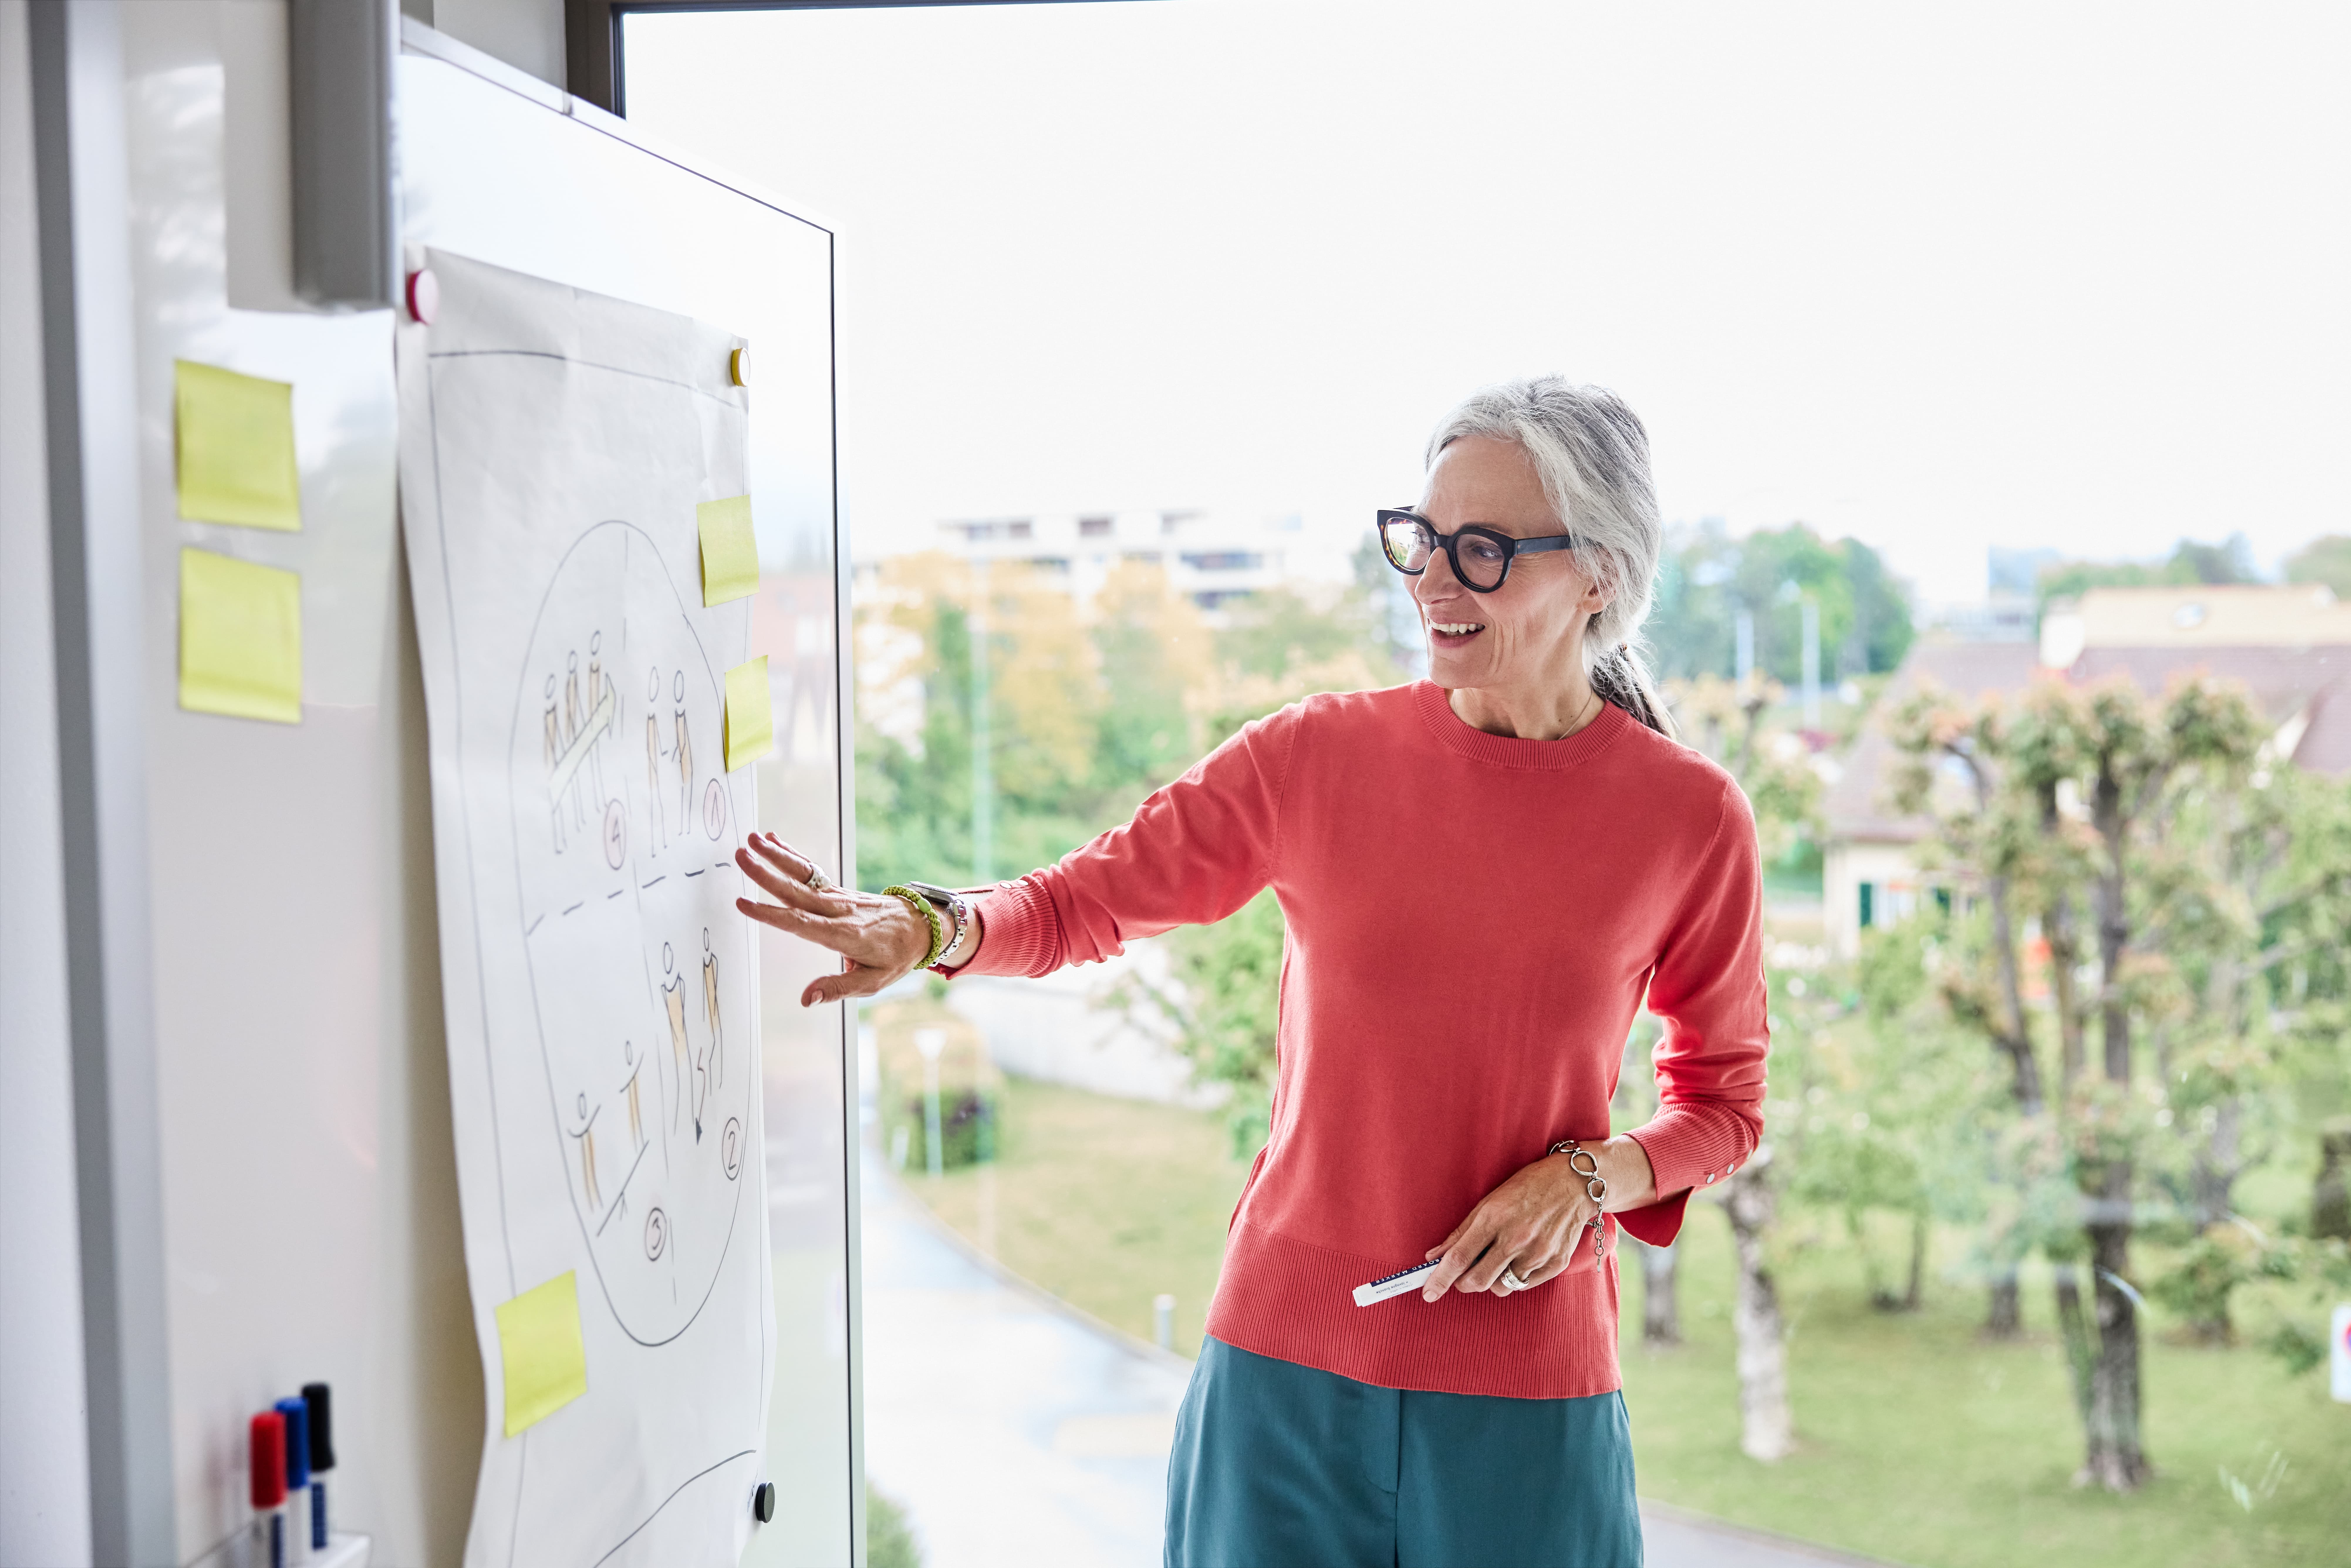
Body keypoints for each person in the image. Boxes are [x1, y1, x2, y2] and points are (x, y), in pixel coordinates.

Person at [735, 377, 1767, 1567]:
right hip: (1281, 1369)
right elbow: (1082, 899)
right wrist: (930, 926)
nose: (1433, 580)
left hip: (1530, 1390)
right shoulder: (1315, 757)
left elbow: (1724, 1104)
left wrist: (1594, 1175)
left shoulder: (1686, 817)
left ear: (1597, 573)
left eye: (1480, 551)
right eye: (1421, 540)